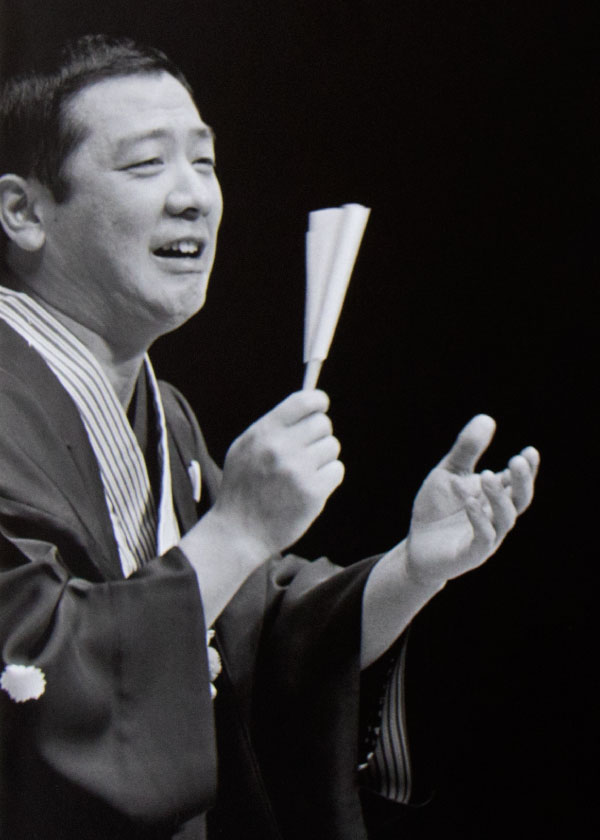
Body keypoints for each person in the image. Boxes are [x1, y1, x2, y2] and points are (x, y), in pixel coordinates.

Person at [0, 35, 539, 840]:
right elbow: (32, 688)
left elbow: (252, 631)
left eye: (205, 162)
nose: (194, 197)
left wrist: (412, 569)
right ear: (23, 211)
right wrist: (238, 529)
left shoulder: (162, 413)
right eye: (146, 164)